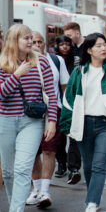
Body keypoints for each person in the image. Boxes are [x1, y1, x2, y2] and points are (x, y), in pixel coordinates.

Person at [59, 33, 106, 212]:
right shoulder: (79, 73)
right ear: (89, 50)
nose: (103, 48)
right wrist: (66, 125)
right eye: (99, 45)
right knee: (88, 165)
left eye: (105, 45)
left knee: (99, 165)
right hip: (83, 124)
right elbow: (68, 101)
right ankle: (93, 195)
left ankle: (92, 202)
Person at [0, 24, 57, 212]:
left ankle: (15, 210)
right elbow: (1, 94)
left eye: (31, 38)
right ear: (14, 40)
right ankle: (14, 204)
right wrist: (16, 75)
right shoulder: (2, 63)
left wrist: (52, 121)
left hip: (31, 122)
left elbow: (51, 93)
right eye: (26, 38)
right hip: (5, 120)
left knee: (22, 169)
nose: (31, 41)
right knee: (8, 172)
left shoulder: (41, 62)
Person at [25, 32, 70, 208]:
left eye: (39, 41)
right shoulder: (22, 60)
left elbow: (64, 87)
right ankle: (36, 189)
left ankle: (45, 190)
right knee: (33, 153)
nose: (36, 44)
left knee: (49, 150)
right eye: (33, 41)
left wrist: (65, 111)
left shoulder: (55, 60)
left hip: (52, 111)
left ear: (45, 43)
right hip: (29, 113)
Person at [62, 22, 84, 184]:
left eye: (69, 36)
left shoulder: (88, 46)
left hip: (88, 96)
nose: (67, 42)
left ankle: (81, 167)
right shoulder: (70, 51)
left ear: (77, 32)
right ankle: (73, 168)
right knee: (73, 134)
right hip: (73, 97)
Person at [53, 35, 75, 179]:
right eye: (62, 45)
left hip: (73, 101)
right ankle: (61, 163)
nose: (65, 47)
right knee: (59, 138)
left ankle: (73, 164)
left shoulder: (76, 61)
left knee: (72, 135)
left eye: (67, 44)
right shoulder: (54, 61)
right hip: (59, 103)